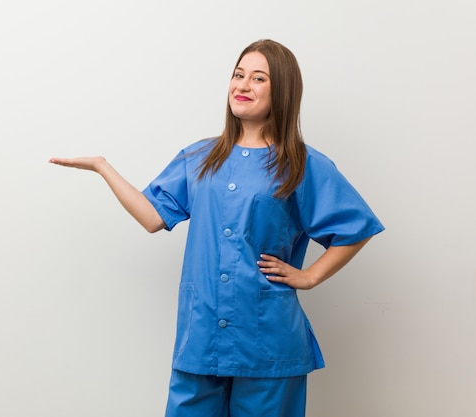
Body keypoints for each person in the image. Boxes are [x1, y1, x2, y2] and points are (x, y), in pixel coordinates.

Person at [49, 39, 384, 417]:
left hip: (267, 337)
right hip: (202, 333)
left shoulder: (301, 163)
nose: (242, 86)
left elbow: (356, 227)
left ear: (283, 91)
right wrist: (102, 166)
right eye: (238, 75)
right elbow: (151, 217)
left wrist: (310, 277)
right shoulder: (199, 157)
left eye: (258, 78)